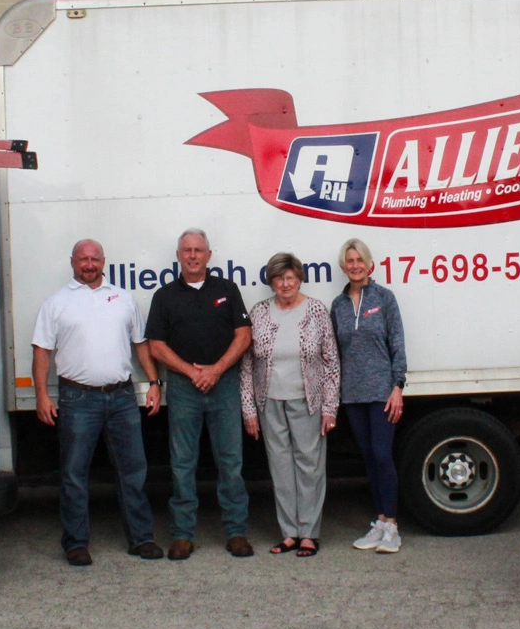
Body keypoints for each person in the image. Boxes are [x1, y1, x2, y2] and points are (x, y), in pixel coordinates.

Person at [32, 239, 164, 566]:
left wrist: (153, 382)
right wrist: (41, 395)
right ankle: (76, 543)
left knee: (132, 470)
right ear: (73, 262)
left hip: (121, 396)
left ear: (104, 261)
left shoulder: (123, 299)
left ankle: (142, 538)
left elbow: (141, 344)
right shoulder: (56, 303)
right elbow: (41, 352)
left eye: (94, 259)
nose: (88, 265)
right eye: (82, 259)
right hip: (77, 399)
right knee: (75, 474)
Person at [142, 229, 253, 559]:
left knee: (231, 462)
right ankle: (182, 534)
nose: (192, 255)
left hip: (225, 386)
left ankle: (236, 532)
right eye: (186, 250)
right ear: (178, 255)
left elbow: (244, 336)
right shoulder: (164, 296)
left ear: (209, 255)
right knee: (182, 464)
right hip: (183, 389)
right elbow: (156, 346)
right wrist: (193, 373)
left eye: (198, 250)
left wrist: (216, 370)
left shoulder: (227, 290)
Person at [240, 253, 341, 557]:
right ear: (271, 281)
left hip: (307, 401)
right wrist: (248, 410)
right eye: (279, 278)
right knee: (280, 467)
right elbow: (246, 365)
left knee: (309, 466)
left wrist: (329, 408)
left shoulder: (316, 311)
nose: (285, 284)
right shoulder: (258, 312)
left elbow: (331, 362)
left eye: (290, 277)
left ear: (299, 279)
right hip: (269, 402)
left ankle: (309, 533)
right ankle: (289, 533)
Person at [330, 237, 407, 554]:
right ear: (343, 266)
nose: (355, 265)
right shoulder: (338, 305)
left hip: (381, 393)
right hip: (353, 395)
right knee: (368, 458)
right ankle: (379, 522)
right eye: (349, 260)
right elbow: (336, 351)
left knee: (381, 455)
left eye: (359, 259)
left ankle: (392, 527)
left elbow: (397, 345)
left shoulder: (384, 298)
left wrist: (397, 387)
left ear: (369, 263)